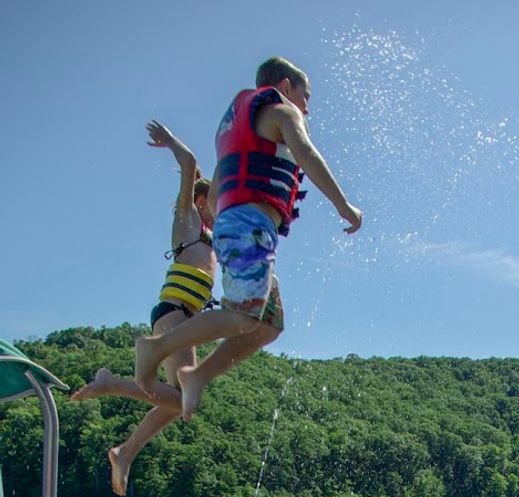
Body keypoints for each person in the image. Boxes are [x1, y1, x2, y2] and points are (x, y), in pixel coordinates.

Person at [134, 55, 362, 422]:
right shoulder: (282, 111)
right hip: (249, 225)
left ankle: (198, 375)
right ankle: (155, 348)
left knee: (269, 324)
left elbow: (216, 192)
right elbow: (304, 152)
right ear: (286, 87)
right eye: (307, 97)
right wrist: (344, 205)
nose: (307, 108)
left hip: (242, 226)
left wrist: (229, 223)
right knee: (244, 315)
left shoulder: (237, 129)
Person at [72, 121, 217, 496]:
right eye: (216, 201)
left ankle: (125, 452)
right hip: (174, 314)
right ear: (202, 202)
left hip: (185, 320)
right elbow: (189, 163)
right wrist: (170, 141)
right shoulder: (187, 224)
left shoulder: (214, 240)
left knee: (179, 403)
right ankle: (111, 386)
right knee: (184, 398)